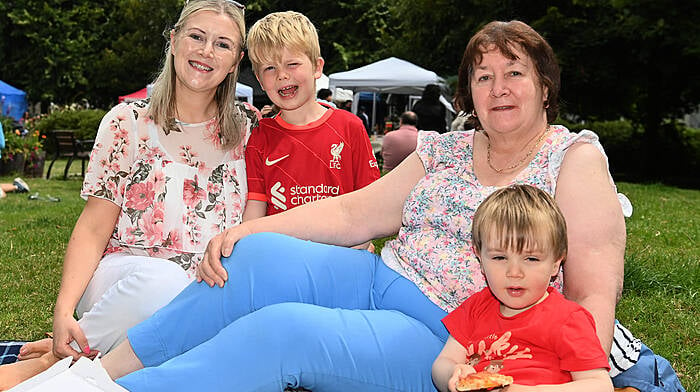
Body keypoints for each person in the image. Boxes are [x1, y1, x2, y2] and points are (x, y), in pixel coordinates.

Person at [101, 20, 631, 391]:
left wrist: (569, 378)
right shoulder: (447, 147)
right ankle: (99, 372)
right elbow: (355, 213)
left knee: (284, 332)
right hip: (381, 279)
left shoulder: (573, 159)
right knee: (255, 261)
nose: (498, 88)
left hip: (453, 335)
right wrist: (251, 232)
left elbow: (590, 295)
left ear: (544, 84)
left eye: (514, 73)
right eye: (483, 76)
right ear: (469, 90)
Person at [0, 0, 256, 389]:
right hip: (123, 280)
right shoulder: (127, 122)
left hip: (204, 291)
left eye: (222, 44)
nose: (207, 51)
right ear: (173, 40)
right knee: (163, 284)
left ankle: (61, 360)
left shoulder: (249, 130)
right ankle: (50, 362)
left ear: (236, 60)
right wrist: (64, 309)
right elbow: (92, 228)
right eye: (197, 36)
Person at [432, 185, 612, 392]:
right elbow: (443, 362)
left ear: (556, 263)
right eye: (499, 257)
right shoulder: (475, 308)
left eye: (531, 258)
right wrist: (454, 374)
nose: (514, 272)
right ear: (480, 257)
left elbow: (600, 385)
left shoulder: (568, 319)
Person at [241, 11, 379, 220]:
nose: (282, 75)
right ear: (260, 80)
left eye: (292, 64)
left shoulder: (350, 127)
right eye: (270, 68)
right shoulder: (260, 137)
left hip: (342, 249)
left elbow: (370, 201)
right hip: (282, 251)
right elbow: (255, 210)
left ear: (317, 67)